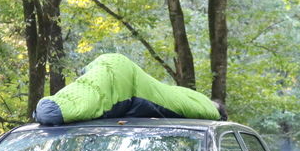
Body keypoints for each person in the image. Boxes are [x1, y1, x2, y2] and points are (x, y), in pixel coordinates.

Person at [34, 53, 223, 125]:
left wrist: (215, 111)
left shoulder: (203, 107)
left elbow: (51, 112)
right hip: (115, 70)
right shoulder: (197, 103)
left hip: (123, 77)